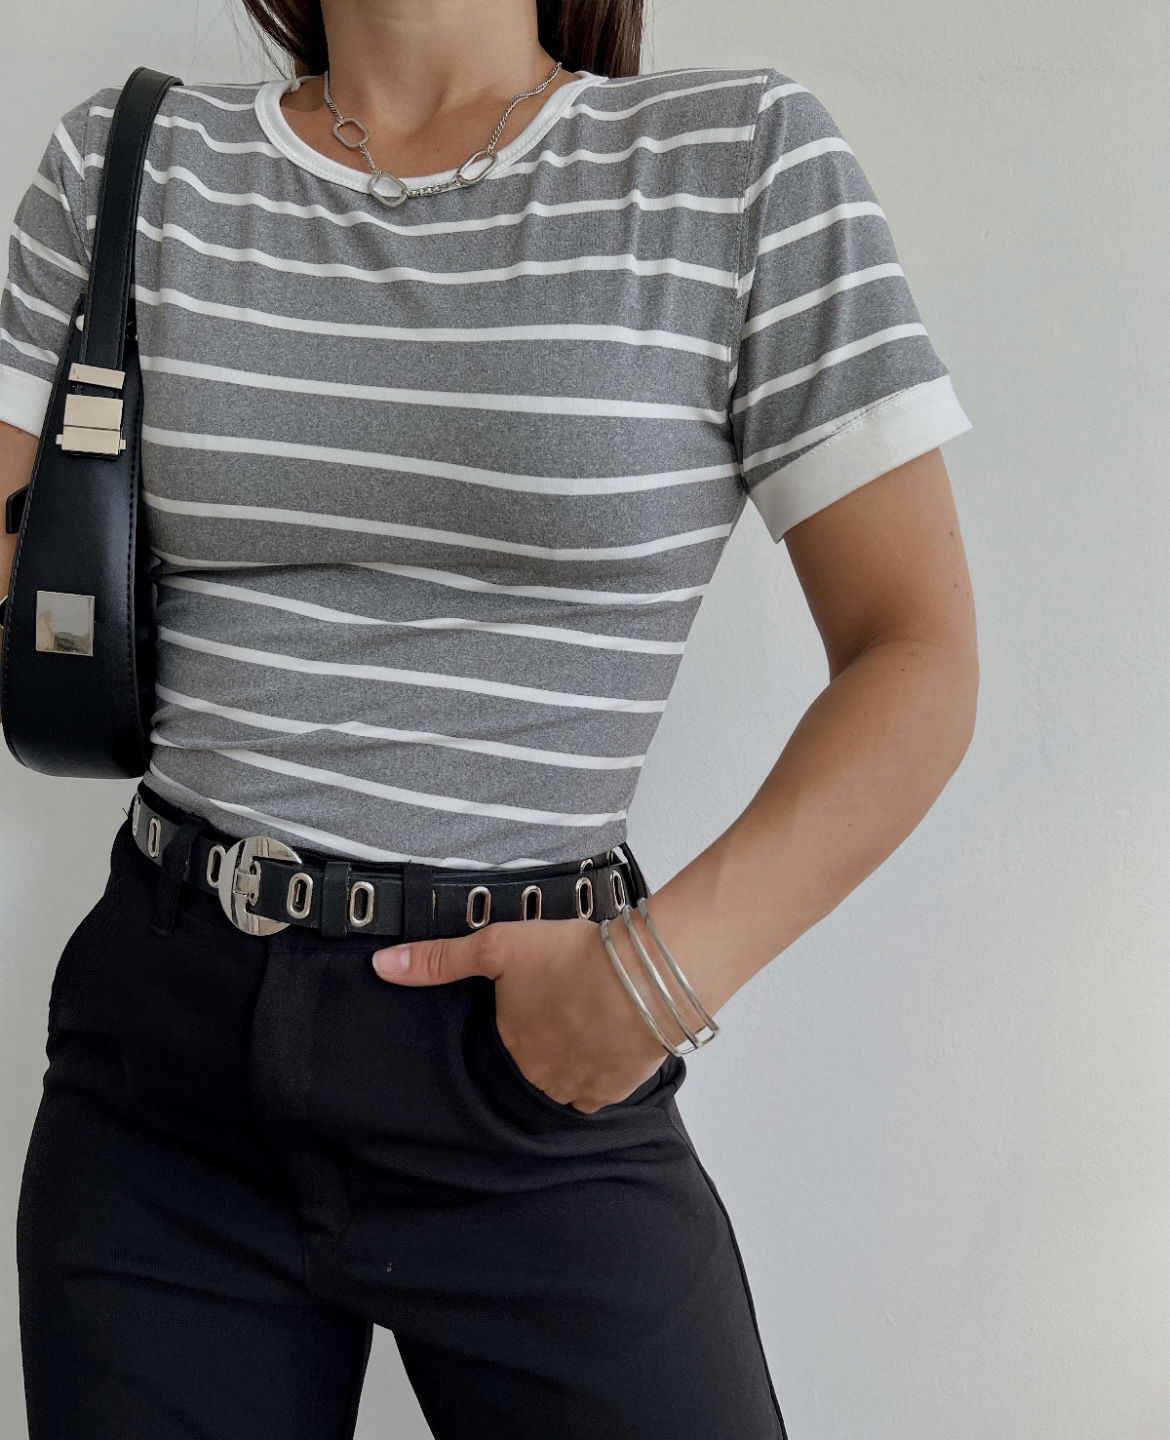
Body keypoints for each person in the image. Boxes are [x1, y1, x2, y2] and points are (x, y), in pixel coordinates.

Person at [0, 0, 979, 1435]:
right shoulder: (131, 163)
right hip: (166, 1056)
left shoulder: (735, 161)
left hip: (526, 1057)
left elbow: (915, 652)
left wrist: (658, 980)